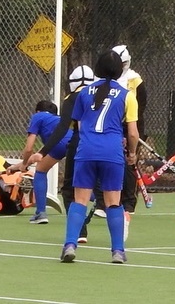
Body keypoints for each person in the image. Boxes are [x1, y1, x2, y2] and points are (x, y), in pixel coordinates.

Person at [60, 50, 139, 264]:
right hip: (112, 152)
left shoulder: (84, 93)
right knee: (113, 202)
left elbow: (79, 124)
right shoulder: (127, 95)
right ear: (120, 70)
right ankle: (118, 252)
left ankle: (70, 245)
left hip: (86, 150)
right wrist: (132, 154)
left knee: (80, 200)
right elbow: (132, 133)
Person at [27, 65, 94, 242]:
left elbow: (62, 128)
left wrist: (41, 152)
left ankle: (78, 232)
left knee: (70, 189)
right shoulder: (105, 95)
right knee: (109, 190)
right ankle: (118, 236)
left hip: (78, 143)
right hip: (107, 145)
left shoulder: (71, 99)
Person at [93, 44, 147, 226]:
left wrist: (130, 133)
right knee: (105, 164)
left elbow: (140, 107)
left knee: (129, 165)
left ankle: (128, 203)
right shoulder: (97, 83)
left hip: (130, 126)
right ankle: (101, 203)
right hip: (109, 128)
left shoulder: (135, 80)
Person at [8, 100, 72, 224]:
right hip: (75, 143)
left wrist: (24, 164)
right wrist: (16, 167)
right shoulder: (58, 120)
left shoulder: (38, 116)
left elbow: (29, 148)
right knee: (79, 182)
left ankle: (41, 213)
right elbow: (37, 156)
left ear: (37, 111)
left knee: (41, 172)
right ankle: (102, 202)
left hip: (58, 145)